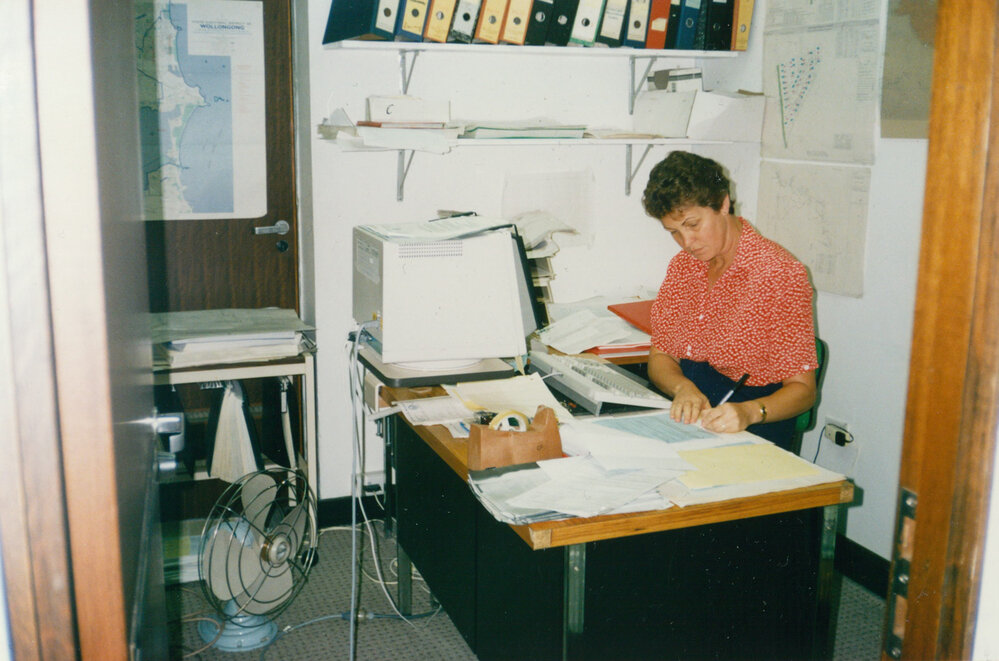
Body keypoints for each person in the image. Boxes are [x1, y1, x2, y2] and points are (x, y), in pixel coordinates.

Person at [641, 151, 818, 450]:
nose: (686, 242)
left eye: (693, 224)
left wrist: (749, 413)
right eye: (674, 232)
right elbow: (661, 356)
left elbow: (803, 391)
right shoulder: (684, 267)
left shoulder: (779, 274)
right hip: (692, 415)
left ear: (723, 204)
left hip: (752, 420)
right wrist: (682, 387)